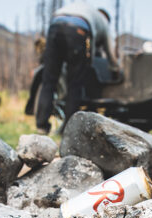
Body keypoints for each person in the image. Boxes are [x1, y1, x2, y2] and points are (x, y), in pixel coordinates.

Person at [36, 2, 119, 135]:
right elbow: (110, 51)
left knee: (49, 80)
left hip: (55, 25)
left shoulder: (86, 10)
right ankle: (68, 129)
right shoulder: (103, 22)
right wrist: (115, 68)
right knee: (75, 84)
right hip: (78, 29)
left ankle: (41, 126)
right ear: (107, 19)